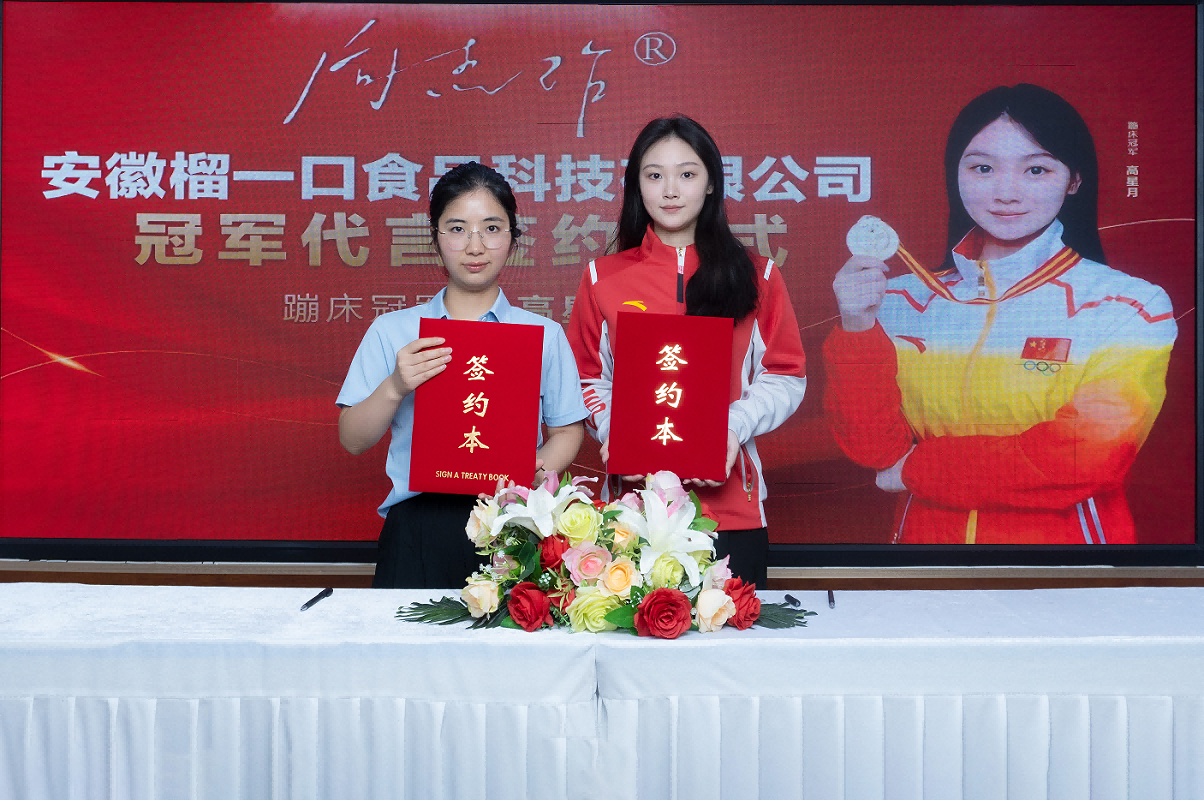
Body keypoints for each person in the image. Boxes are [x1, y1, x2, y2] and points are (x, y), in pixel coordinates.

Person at [823, 84, 1177, 545]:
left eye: (1036, 169)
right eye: (983, 168)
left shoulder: (1127, 305)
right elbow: (873, 449)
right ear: (956, 174)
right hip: (923, 558)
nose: (1006, 193)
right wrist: (857, 326)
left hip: (1065, 567)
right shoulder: (900, 299)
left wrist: (917, 469)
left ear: (1073, 180)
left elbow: (1085, 455)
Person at [567, 115, 807, 587]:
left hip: (731, 509)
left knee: (731, 633)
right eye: (655, 175)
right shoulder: (602, 278)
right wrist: (619, 430)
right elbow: (585, 378)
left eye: (687, 173)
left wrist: (731, 429)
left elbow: (786, 374)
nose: (671, 190)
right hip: (632, 512)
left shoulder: (758, 276)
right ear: (637, 185)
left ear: (711, 182)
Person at [338, 162, 587, 587]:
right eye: (457, 229)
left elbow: (567, 430)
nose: (475, 246)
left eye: (491, 228)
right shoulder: (393, 331)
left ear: (513, 239)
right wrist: (395, 386)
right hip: (418, 527)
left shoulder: (544, 334)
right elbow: (352, 439)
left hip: (510, 522)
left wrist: (530, 470)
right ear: (435, 238)